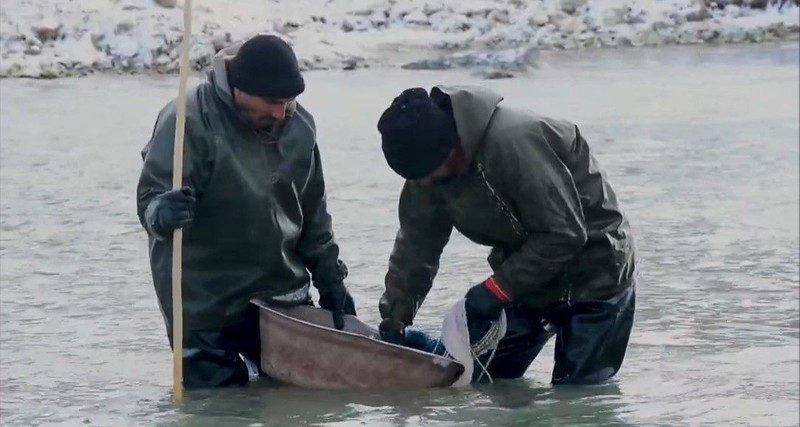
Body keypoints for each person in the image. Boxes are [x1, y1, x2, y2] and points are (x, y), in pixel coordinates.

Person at [375, 85, 637, 385]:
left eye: (433, 174)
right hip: (528, 279)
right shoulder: (425, 175)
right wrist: (395, 316)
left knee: (578, 399)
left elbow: (564, 234)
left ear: (454, 147)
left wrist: (496, 289)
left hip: (598, 273)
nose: (428, 185)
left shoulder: (515, 141)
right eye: (420, 180)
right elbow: (415, 248)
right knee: (479, 380)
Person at [136, 34, 356, 389]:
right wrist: (161, 212)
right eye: (272, 101)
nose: (281, 112)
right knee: (218, 407)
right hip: (203, 302)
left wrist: (333, 284)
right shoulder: (188, 121)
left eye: (289, 101)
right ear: (239, 89)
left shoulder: (300, 127)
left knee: (298, 398)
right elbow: (150, 200)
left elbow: (314, 217)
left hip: (280, 294)